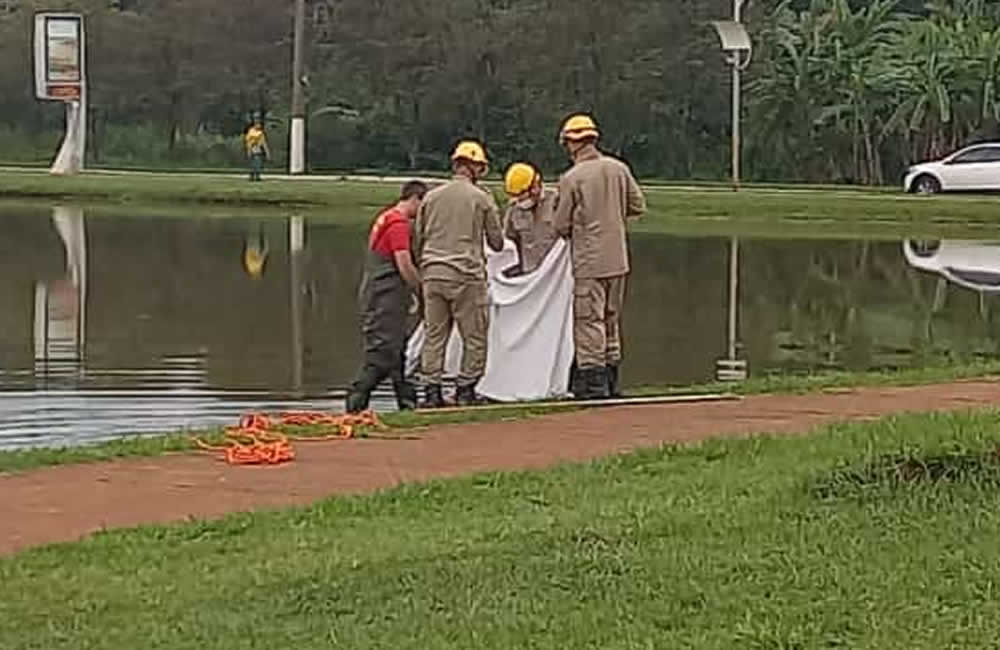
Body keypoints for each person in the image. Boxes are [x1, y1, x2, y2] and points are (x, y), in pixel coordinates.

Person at [553, 114, 646, 400]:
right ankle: (612, 378)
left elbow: (560, 224)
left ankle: (594, 385)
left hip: (589, 261)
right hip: (618, 257)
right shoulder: (619, 169)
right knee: (611, 317)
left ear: (572, 143)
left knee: (588, 319)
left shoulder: (572, 178)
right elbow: (637, 205)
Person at [413, 140, 504, 408]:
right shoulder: (481, 198)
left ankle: (431, 391)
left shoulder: (430, 197)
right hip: (466, 275)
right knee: (474, 336)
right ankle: (466, 390)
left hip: (433, 273)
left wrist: (425, 267)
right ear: (476, 168)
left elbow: (418, 237)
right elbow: (497, 242)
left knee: (434, 335)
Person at [345, 181, 429, 413]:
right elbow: (404, 263)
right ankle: (356, 398)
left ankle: (406, 400)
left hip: (383, 292)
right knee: (382, 352)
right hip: (385, 295)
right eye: (423, 206)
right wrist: (421, 290)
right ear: (415, 199)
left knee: (397, 349)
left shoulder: (385, 217)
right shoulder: (398, 224)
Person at [502, 162, 560, 276]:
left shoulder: (557, 202)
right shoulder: (514, 209)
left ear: (535, 186)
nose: (518, 200)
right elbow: (509, 242)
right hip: (529, 275)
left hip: (556, 275)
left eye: (521, 195)